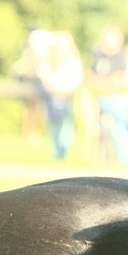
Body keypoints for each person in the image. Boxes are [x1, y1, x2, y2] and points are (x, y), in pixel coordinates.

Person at [89, 24, 128, 164]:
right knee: (100, 132)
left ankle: (124, 160)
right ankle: (102, 160)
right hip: (99, 97)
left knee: (118, 130)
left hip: (117, 100)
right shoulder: (97, 55)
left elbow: (120, 76)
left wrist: (104, 83)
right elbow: (89, 73)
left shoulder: (121, 56)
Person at [35, 32, 84, 161]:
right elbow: (44, 77)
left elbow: (74, 81)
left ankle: (63, 149)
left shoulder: (72, 62)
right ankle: (57, 150)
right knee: (54, 124)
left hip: (67, 97)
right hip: (51, 98)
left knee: (65, 124)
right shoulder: (48, 62)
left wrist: (61, 91)